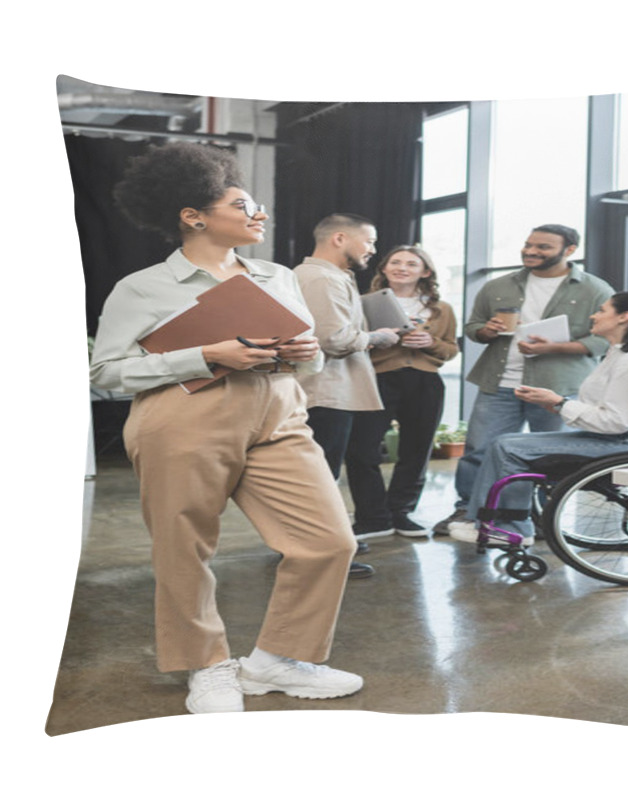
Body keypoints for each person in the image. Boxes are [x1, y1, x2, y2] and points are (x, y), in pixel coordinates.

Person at [89, 142, 363, 715]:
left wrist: (306, 351)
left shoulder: (278, 276)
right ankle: (207, 666)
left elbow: (307, 358)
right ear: (193, 215)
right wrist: (206, 354)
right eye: (243, 204)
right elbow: (105, 372)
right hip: (184, 419)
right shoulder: (141, 288)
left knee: (328, 540)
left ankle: (280, 658)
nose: (258, 213)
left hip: (280, 413)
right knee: (184, 547)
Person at [448, 291, 628, 546]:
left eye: (602, 310)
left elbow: (616, 422)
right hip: (624, 438)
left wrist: (559, 403)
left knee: (508, 447)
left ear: (624, 317)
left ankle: (509, 527)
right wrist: (557, 405)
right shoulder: (623, 355)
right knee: (505, 442)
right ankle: (497, 522)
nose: (594, 315)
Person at [433, 224, 614, 534]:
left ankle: (544, 517)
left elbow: (605, 340)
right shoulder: (497, 285)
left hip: (558, 388)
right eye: (529, 244)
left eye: (543, 247)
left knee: (552, 456)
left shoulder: (594, 289)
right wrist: (485, 331)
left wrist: (554, 346)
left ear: (569, 251)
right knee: (479, 450)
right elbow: (474, 327)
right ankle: (468, 510)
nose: (531, 251)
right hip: (500, 384)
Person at [294, 214, 401, 565]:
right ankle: (318, 552)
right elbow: (333, 339)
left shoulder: (332, 277)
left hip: (333, 389)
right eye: (368, 241)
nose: (373, 249)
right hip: (324, 391)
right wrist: (377, 337)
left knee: (322, 473)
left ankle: (320, 546)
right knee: (320, 476)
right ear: (340, 238)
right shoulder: (321, 278)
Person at [345, 245, 459, 538]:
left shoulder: (441, 309)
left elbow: (450, 350)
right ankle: (372, 517)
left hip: (425, 382)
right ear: (383, 268)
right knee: (361, 449)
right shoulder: (364, 304)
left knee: (417, 450)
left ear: (425, 272)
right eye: (395, 262)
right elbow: (353, 342)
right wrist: (380, 338)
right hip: (377, 379)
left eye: (411, 263)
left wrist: (429, 343)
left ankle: (401, 512)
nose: (402, 268)